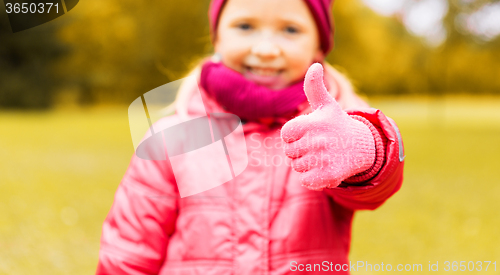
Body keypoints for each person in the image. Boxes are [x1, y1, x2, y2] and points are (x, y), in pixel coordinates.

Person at [96, 0, 405, 274]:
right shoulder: (173, 137)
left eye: (290, 30)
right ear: (217, 37)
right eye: (245, 26)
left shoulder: (330, 129)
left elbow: (379, 183)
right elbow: (129, 250)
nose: (266, 49)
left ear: (318, 46)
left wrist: (365, 147)